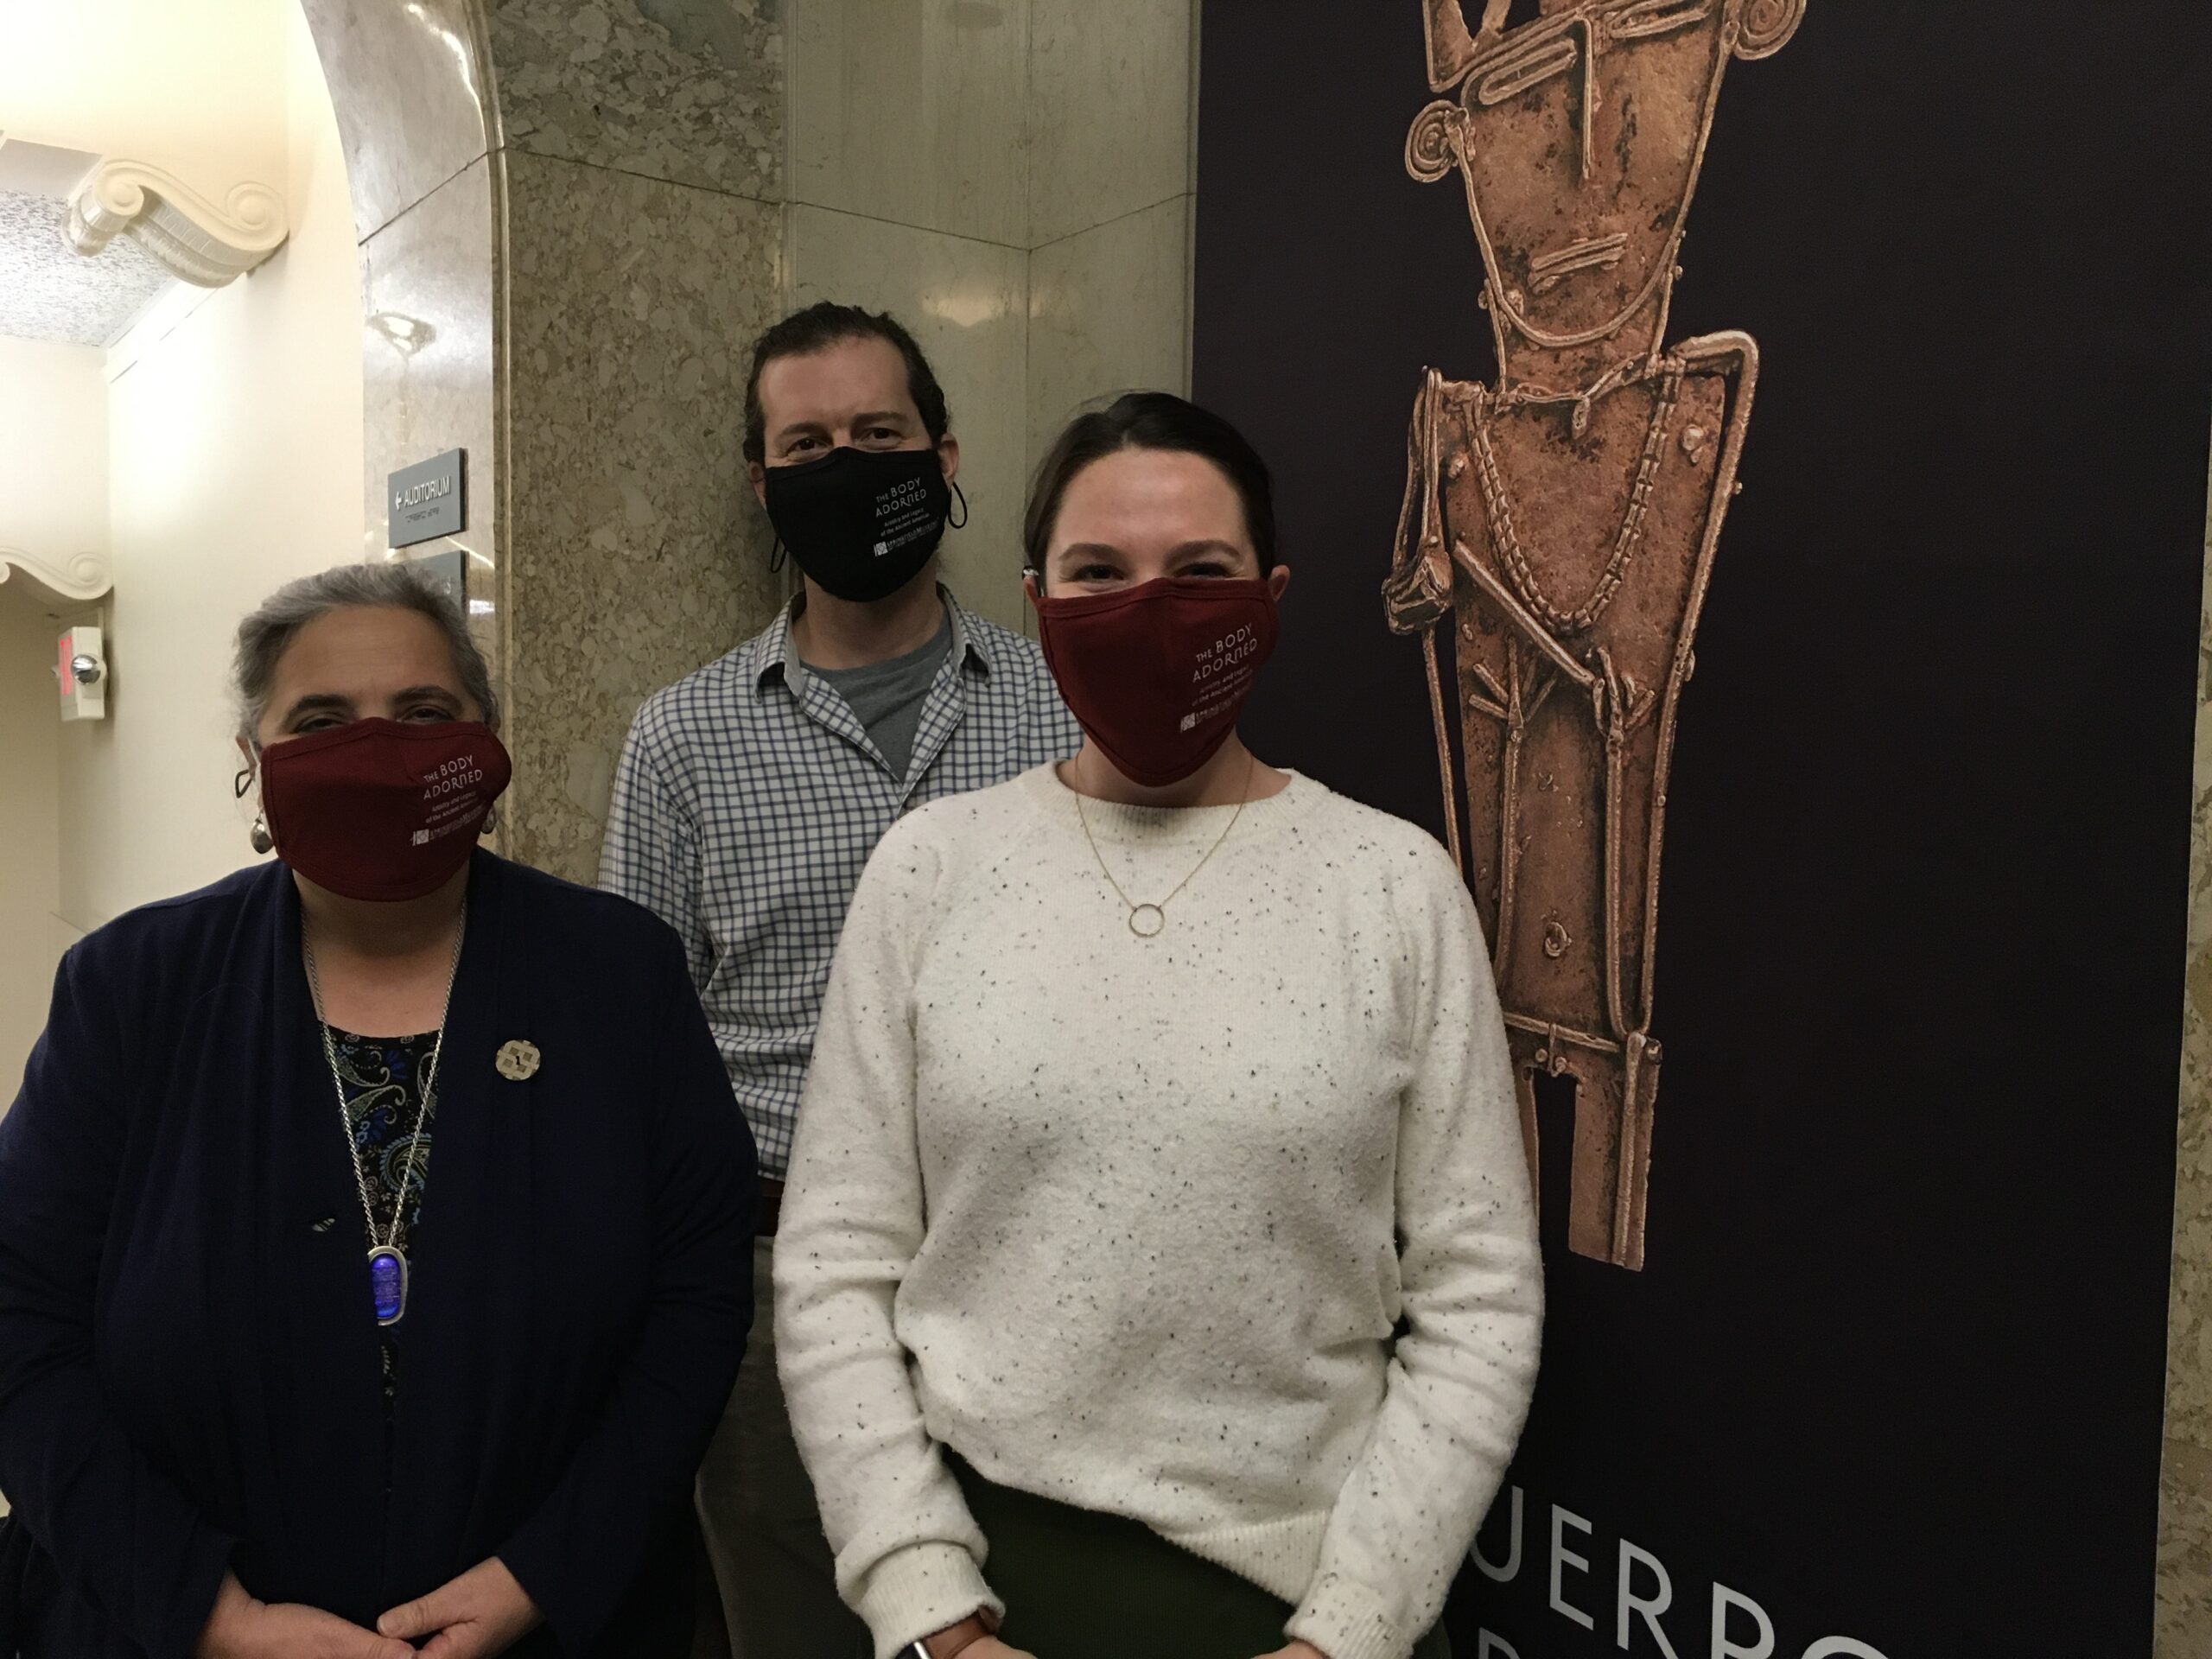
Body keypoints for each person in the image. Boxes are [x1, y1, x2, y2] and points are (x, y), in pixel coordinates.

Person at [775, 392, 1545, 1659]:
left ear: (1272, 595)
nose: (1148, 610)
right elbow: (835, 1267)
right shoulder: (930, 871)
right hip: (987, 1578)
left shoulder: (1393, 885)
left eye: (1201, 573)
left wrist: (1349, 1632)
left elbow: (1478, 1298)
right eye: (1099, 573)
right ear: (1039, 601)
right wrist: (930, 1611)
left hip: (1291, 1597)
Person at [0, 562, 757, 1659]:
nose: (376, 747)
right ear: (254, 764)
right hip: (172, 1627)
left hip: (553, 1625)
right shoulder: (132, 988)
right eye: (321, 719)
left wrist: (540, 1577)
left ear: (488, 741)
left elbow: (694, 1303)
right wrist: (212, 1617)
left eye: (422, 713)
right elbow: (21, 1323)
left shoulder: (617, 977)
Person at [600, 302, 1081, 1657]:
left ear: (942, 453)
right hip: (768, 1293)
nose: (845, 465)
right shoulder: (682, 739)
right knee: (796, 1624)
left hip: (1037, 1260)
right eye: (805, 444)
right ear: (760, 484)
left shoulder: (1062, 707)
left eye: (878, 433)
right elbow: (631, 1049)